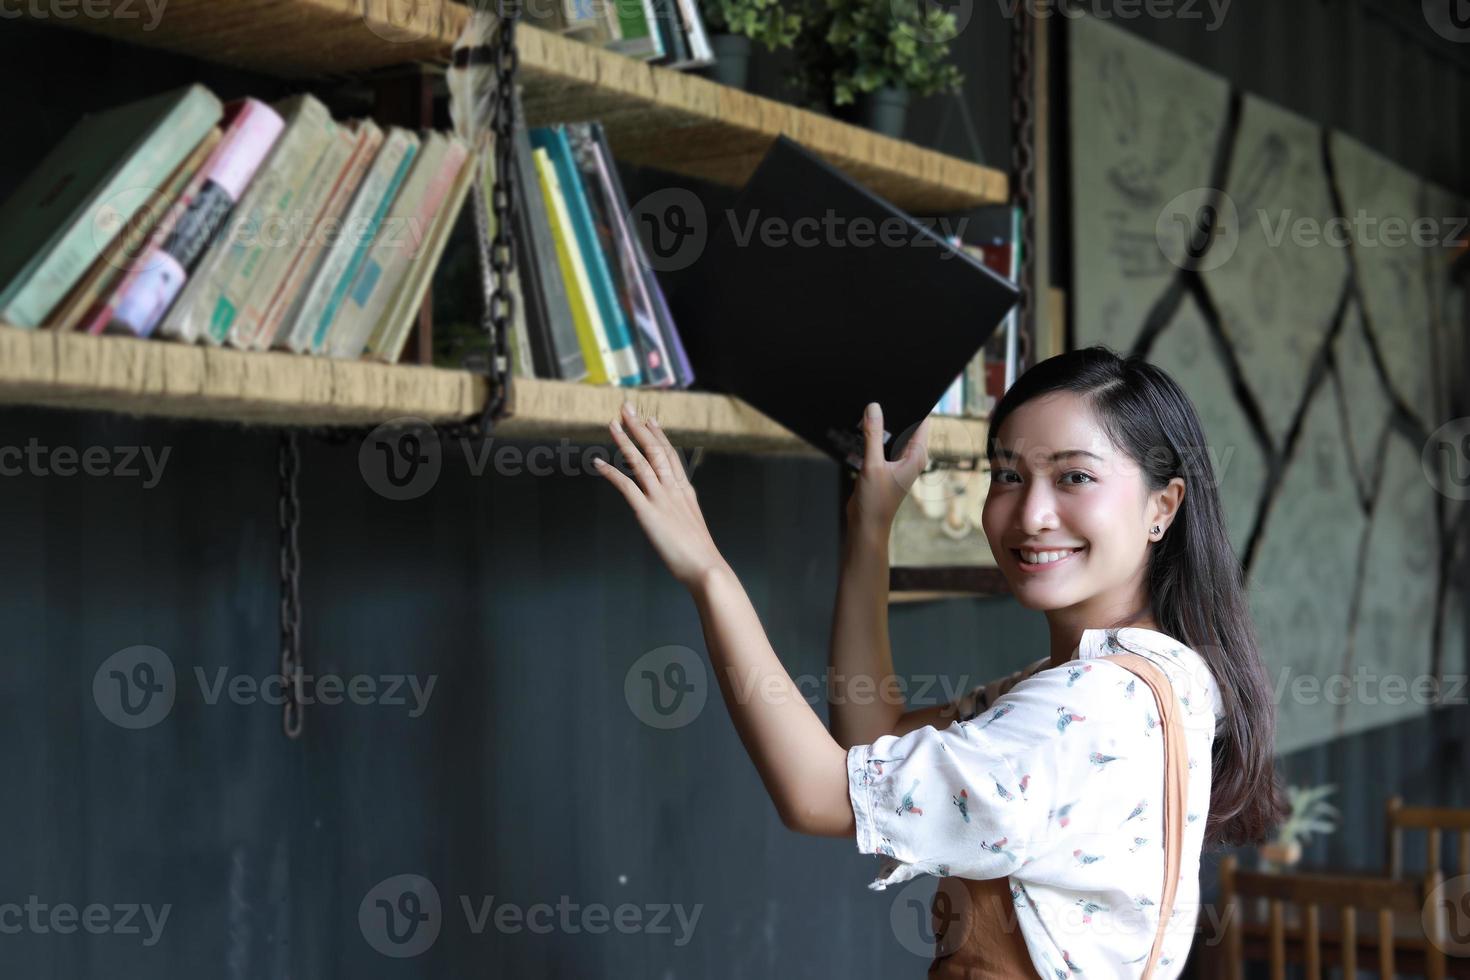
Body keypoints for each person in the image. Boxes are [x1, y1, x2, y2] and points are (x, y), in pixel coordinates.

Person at [591, 345, 1285, 977]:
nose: (1031, 513)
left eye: (1074, 476)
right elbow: (873, 734)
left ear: (1162, 506)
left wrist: (710, 573)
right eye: (1008, 475)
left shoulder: (1086, 709)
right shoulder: (1160, 678)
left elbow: (815, 794)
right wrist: (871, 528)